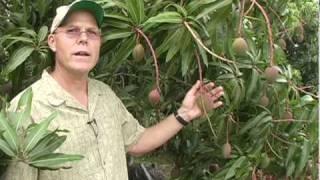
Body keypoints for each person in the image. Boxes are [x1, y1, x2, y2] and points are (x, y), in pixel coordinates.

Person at [3, 0, 224, 179]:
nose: (83, 39)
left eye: (92, 33)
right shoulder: (25, 109)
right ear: (52, 42)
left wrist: (185, 114)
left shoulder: (104, 94)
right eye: (72, 31)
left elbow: (137, 141)